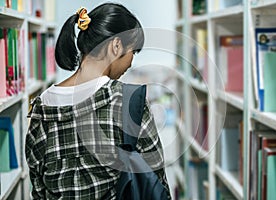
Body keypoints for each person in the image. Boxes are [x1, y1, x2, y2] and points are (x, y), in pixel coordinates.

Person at [25, 3, 170, 199]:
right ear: (116, 45)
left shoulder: (42, 107)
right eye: (133, 52)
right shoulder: (127, 101)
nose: (131, 62)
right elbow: (156, 178)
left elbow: (38, 187)